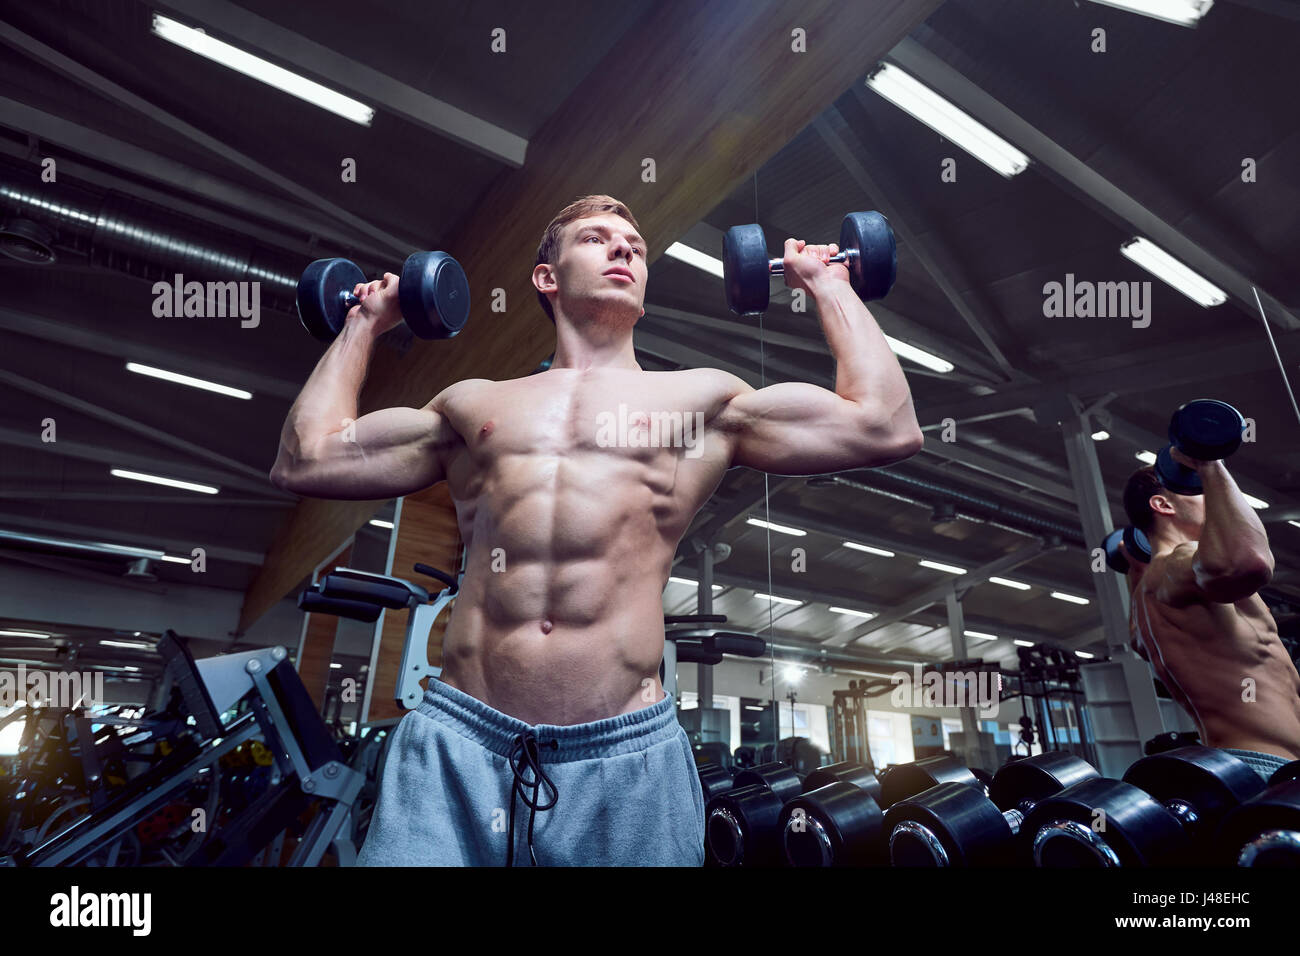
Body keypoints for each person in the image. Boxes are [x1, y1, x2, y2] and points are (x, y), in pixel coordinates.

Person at [270, 195, 923, 864]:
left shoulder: (703, 402)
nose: (624, 251)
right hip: (458, 746)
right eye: (596, 239)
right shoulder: (473, 406)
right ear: (547, 277)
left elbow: (884, 425)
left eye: (635, 248)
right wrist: (363, 321)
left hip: (625, 757)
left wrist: (830, 284)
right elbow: (306, 457)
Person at [1121, 449, 1300, 781]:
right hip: (1269, 771)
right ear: (1163, 505)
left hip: (1240, 768)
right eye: (1196, 490)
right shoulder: (1178, 562)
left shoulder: (1146, 599)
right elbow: (1249, 563)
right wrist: (1209, 463)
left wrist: (1133, 565)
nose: (1211, 498)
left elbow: (1136, 640)